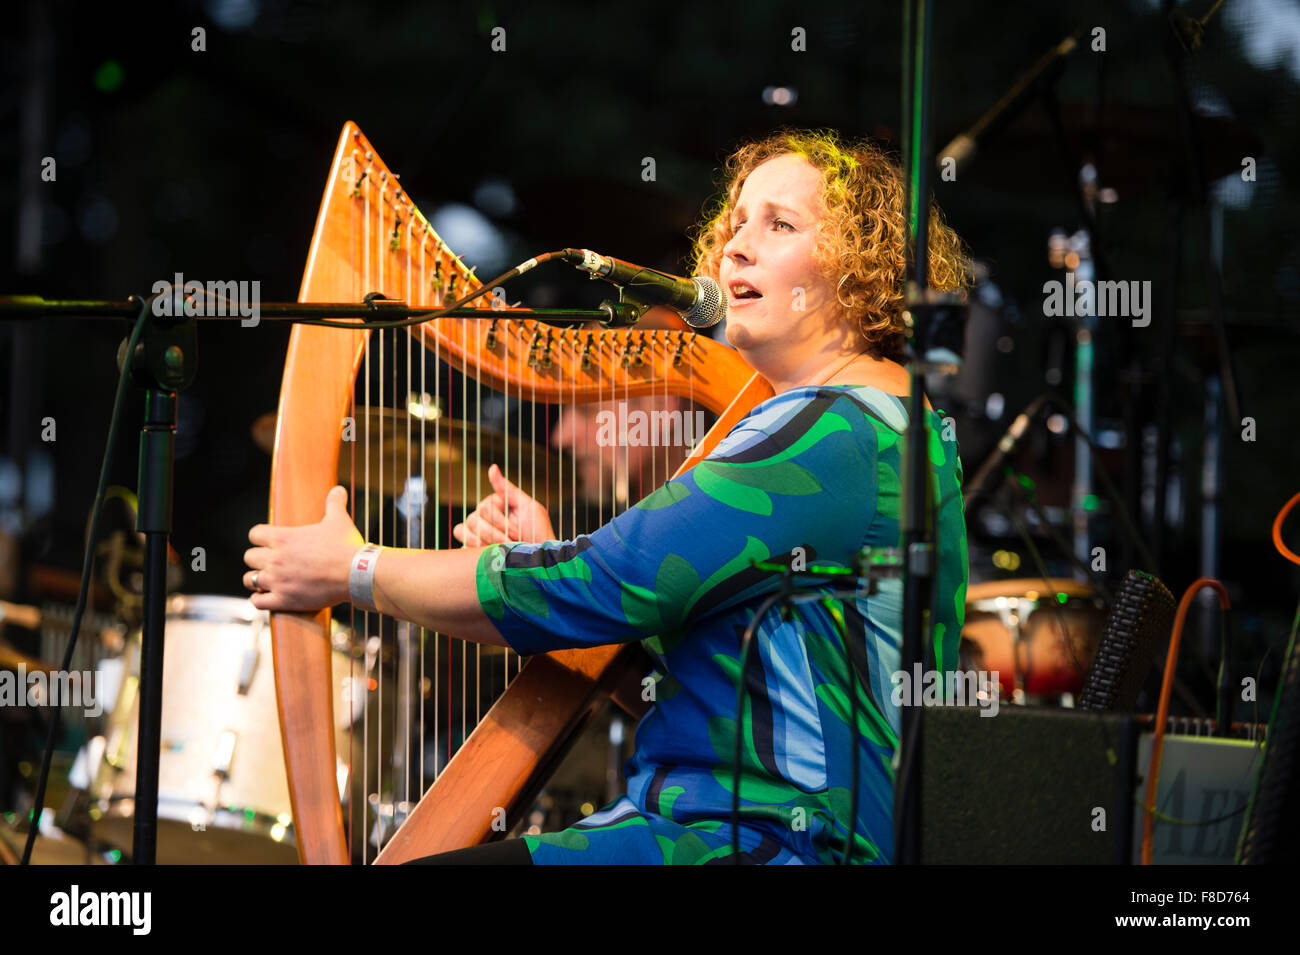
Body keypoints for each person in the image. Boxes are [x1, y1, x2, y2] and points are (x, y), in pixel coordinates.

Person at [244, 127, 971, 864]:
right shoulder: (878, 425)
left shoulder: (835, 431)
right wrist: (539, 563)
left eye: (780, 225)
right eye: (737, 223)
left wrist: (352, 568)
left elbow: (601, 580)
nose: (737, 248)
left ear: (862, 271)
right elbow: (702, 691)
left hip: (762, 843)